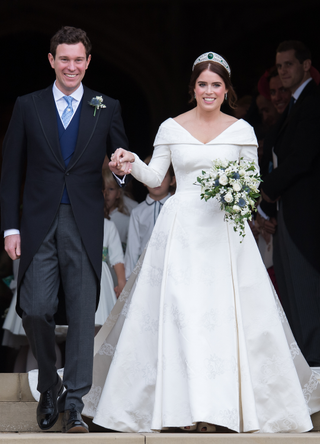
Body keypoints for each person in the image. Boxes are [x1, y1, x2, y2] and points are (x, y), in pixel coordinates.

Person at [80, 52, 320, 434]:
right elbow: (156, 177)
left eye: (217, 85)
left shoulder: (241, 131)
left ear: (227, 90)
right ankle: (181, 410)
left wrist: (237, 193)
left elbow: (253, 183)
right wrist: (128, 163)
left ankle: (220, 411)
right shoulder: (171, 128)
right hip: (180, 232)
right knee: (181, 316)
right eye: (203, 84)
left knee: (225, 319)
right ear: (193, 88)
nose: (209, 91)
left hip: (225, 235)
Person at [0, 26, 128, 433]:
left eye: (79, 59)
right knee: (35, 307)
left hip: (86, 223)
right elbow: (10, 172)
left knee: (80, 312)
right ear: (51, 60)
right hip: (37, 222)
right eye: (64, 59)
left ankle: (75, 404)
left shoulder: (106, 106)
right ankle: (51, 383)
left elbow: (123, 165)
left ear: (88, 62)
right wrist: (10, 228)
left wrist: (123, 170)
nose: (71, 66)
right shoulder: (28, 105)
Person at [259, 41, 320, 367]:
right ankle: (306, 371)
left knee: (306, 293)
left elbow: (300, 159)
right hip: (285, 215)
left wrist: (265, 191)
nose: (283, 71)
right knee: (292, 295)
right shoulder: (293, 106)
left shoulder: (311, 104)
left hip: (304, 216)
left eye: (289, 65)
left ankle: (316, 370)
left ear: (306, 66)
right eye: (279, 66)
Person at [124, 163, 175, 279]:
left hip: (170, 268)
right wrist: (129, 278)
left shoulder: (176, 209)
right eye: (152, 176)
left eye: (162, 176)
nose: (157, 181)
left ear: (172, 180)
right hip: (145, 271)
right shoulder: (137, 212)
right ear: (144, 180)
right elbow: (132, 248)